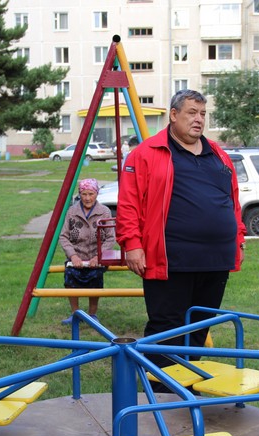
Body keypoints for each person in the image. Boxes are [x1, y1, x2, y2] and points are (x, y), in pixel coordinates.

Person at [116, 89, 246, 384]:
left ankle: (187, 387)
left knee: (199, 327)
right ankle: (161, 393)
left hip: (215, 258)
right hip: (169, 258)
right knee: (166, 329)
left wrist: (238, 238)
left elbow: (233, 201)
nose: (199, 119)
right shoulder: (147, 153)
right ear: (173, 115)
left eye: (203, 114)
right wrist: (132, 244)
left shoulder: (218, 154)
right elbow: (128, 203)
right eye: (192, 113)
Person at [59, 178, 114, 324]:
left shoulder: (104, 212)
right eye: (84, 194)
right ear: (80, 194)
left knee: (95, 276)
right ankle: (75, 313)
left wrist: (98, 257)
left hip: (96, 257)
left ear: (97, 194)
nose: (87, 198)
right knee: (70, 275)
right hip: (77, 256)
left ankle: (92, 314)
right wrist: (73, 256)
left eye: (91, 194)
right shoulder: (72, 211)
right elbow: (64, 236)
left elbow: (110, 238)